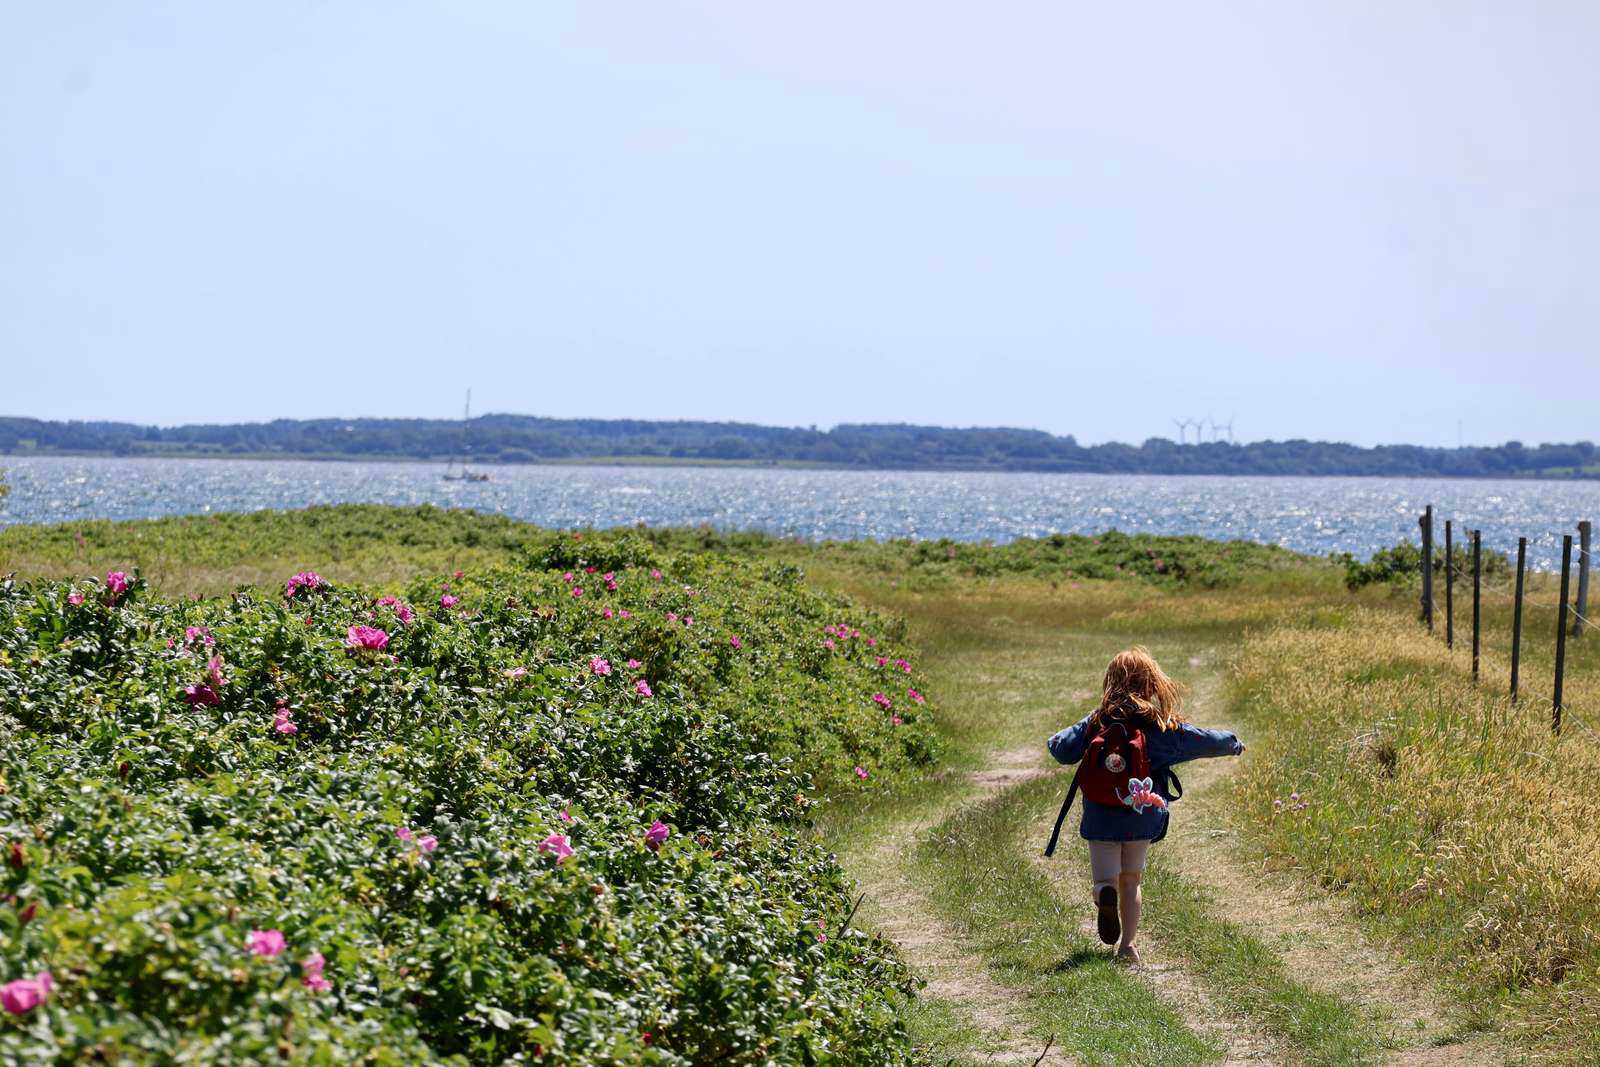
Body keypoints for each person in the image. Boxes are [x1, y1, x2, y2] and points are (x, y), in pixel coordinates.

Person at [1045, 646, 1243, 963]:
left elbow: (1059, 748)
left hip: (1101, 817)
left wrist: (1087, 725)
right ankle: (1127, 946)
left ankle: (1102, 895)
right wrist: (1233, 744)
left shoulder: (1097, 721)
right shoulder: (1159, 726)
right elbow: (1204, 740)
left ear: (1110, 682)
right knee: (1132, 880)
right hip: (1141, 814)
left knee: (1105, 879)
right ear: (1152, 685)